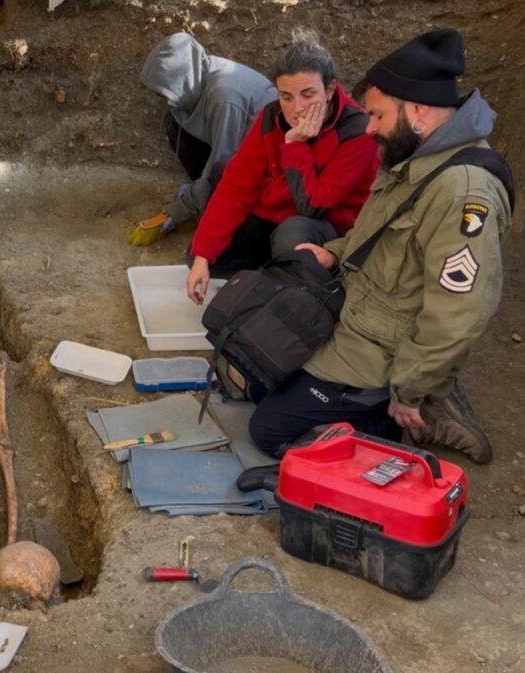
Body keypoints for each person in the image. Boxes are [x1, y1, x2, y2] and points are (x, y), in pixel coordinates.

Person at [248, 28, 513, 464]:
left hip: (383, 350)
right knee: (261, 376)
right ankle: (423, 398)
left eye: (377, 116)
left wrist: (407, 391)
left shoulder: (464, 193)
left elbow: (459, 312)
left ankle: (410, 416)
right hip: (356, 315)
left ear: (419, 111)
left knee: (268, 428)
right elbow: (377, 231)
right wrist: (334, 251)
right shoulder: (416, 157)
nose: (368, 128)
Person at [185, 29, 379, 304]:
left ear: (331, 89)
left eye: (308, 94)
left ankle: (307, 299)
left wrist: (295, 145)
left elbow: (315, 205)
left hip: (333, 230)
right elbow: (236, 185)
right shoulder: (271, 117)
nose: (297, 108)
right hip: (280, 214)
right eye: (286, 96)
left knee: (293, 234)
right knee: (202, 254)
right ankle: (272, 278)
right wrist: (203, 256)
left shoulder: (357, 131)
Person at [128, 32, 276, 245]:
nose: (163, 98)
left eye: (165, 90)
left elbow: (222, 163)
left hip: (269, 162)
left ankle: (209, 204)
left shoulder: (224, 97)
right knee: (174, 122)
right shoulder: (198, 76)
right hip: (236, 143)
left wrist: (182, 209)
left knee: (233, 239)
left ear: (182, 78)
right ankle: (204, 200)